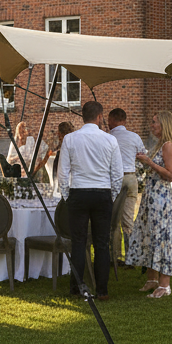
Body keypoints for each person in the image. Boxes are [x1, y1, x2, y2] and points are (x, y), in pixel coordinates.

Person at [58, 100, 123, 300]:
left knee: (78, 242)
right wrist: (111, 196)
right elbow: (117, 174)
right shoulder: (110, 140)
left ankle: (76, 287)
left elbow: (63, 172)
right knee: (101, 243)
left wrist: (67, 196)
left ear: (82, 116)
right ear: (100, 117)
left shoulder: (70, 139)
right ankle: (102, 290)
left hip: (78, 192)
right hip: (102, 192)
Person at [127, 110, 172, 298]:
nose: (152, 125)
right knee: (149, 235)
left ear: (164, 125)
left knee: (161, 238)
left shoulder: (169, 145)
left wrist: (149, 161)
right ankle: (152, 279)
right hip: (151, 197)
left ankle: (164, 285)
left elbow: (170, 175)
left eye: (154, 122)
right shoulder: (159, 145)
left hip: (160, 198)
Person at [107, 107, 145, 264]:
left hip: (114, 179)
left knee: (114, 221)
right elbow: (142, 155)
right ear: (124, 120)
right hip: (130, 177)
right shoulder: (134, 136)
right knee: (128, 219)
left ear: (112, 120)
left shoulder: (108, 137)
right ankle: (131, 257)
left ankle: (114, 256)